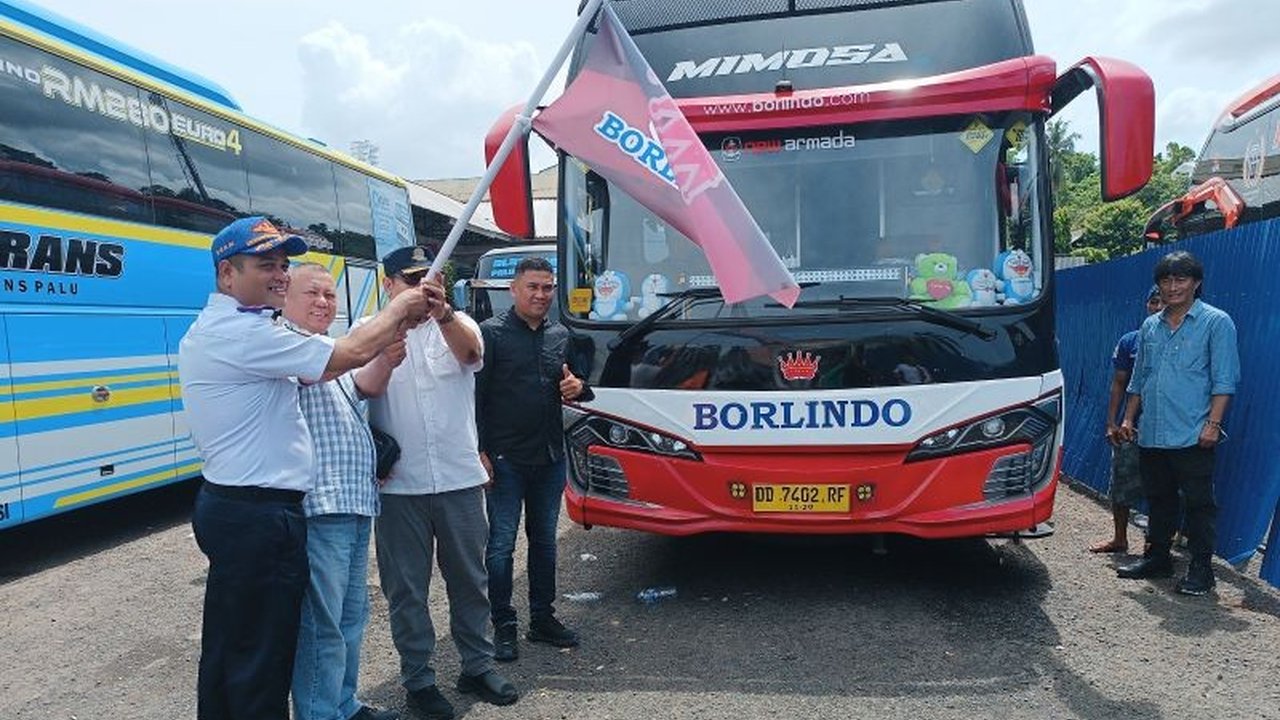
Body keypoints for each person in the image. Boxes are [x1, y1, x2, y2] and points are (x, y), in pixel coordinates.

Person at [180, 216, 430, 720]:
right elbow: (352, 351)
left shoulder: (254, 330)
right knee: (259, 654)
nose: (278, 273)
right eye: (265, 264)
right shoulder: (243, 334)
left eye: (282, 263)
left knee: (250, 648)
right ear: (228, 274)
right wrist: (401, 306)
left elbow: (352, 374)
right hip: (256, 512)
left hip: (257, 510)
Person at [368, 247, 518, 720]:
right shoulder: (366, 334)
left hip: (457, 480)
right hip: (399, 487)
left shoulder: (458, 326)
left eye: (430, 278)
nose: (421, 287)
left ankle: (477, 665)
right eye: (411, 279)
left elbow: (472, 353)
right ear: (388, 284)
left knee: (470, 581)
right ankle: (419, 679)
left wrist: (444, 313)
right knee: (406, 590)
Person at [285, 263, 403, 720]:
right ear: (286, 299)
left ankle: (342, 704)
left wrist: (387, 360)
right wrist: (392, 321)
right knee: (323, 626)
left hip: (353, 501)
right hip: (321, 505)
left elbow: (362, 387)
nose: (323, 302)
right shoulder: (288, 346)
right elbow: (347, 364)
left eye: (330, 295)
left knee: (351, 617)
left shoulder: (327, 351)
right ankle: (319, 712)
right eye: (312, 293)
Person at [475, 256, 594, 663]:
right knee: (501, 546)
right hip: (505, 459)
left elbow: (581, 387)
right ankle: (503, 626)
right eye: (533, 287)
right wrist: (480, 452)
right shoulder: (490, 335)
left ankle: (542, 619)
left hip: (549, 457)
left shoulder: (561, 335)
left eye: (547, 287)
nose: (541, 294)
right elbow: (475, 398)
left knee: (544, 543)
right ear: (513, 290)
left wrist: (579, 386)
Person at [1116, 251, 1240, 596]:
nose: (1172, 287)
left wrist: (1213, 424)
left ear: (1196, 283)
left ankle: (1202, 570)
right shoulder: (1150, 326)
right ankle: (1158, 557)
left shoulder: (1216, 322)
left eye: (1180, 279)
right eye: (1166, 280)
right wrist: (1128, 417)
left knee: (1199, 503)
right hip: (1153, 430)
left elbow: (1225, 380)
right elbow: (1139, 379)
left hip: (1193, 432)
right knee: (1159, 498)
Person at [1090, 285, 1164, 554]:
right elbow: (1119, 383)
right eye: (1154, 302)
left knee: (1163, 485)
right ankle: (1120, 538)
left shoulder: (1182, 341)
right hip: (1130, 426)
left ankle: (1155, 544)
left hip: (1167, 426)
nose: (1158, 307)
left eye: (1164, 302)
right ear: (1147, 305)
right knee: (1121, 481)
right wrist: (1112, 421)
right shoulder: (1130, 341)